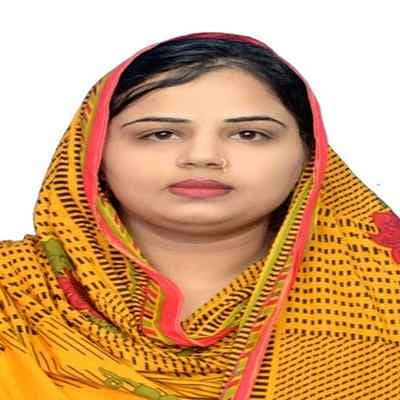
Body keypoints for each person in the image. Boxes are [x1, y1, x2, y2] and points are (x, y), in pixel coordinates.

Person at [0, 31, 399, 400]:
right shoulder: (13, 292)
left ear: (309, 154)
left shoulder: (385, 291)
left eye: (249, 134)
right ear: (92, 151)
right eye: (160, 134)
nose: (203, 157)